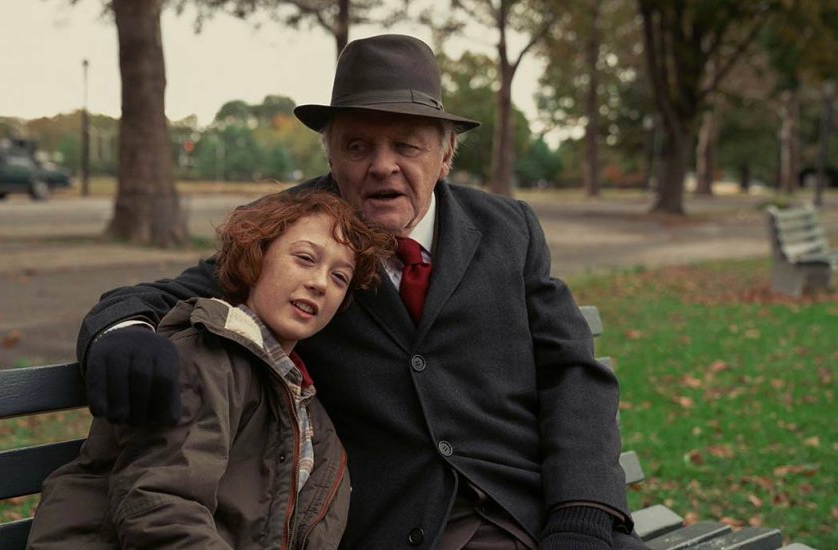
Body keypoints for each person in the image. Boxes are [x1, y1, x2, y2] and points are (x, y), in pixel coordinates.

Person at [75, 34, 648, 549]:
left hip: (536, 513)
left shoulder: (509, 229)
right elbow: (159, 296)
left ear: (446, 154)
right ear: (330, 154)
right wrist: (123, 331)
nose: (382, 166)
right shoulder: (289, 234)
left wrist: (581, 513)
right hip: (398, 525)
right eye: (357, 146)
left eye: (407, 146)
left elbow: (572, 371)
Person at [28, 191, 393, 549]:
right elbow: (161, 509)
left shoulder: (304, 405)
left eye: (339, 277)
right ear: (256, 258)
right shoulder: (207, 358)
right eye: (305, 258)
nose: (320, 283)